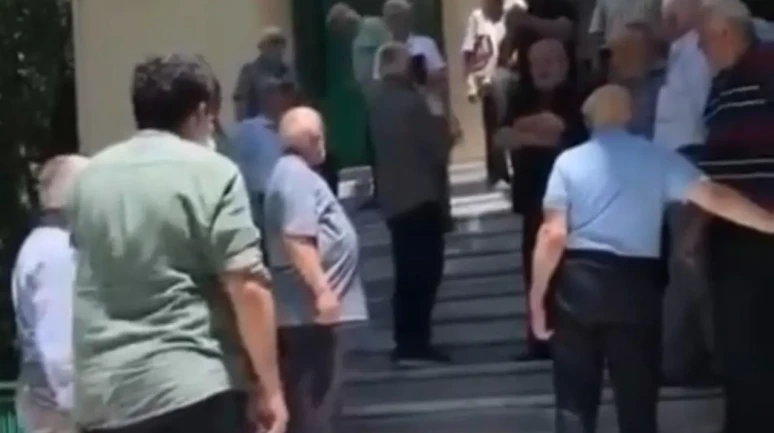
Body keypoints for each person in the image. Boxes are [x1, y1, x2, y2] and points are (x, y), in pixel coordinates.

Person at [530, 84, 774, 433]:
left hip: (578, 286)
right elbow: (714, 196)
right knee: (638, 405)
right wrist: (768, 222)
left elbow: (552, 234)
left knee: (574, 405)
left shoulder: (567, 162)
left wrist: (537, 296)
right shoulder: (658, 158)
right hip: (636, 285)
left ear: (587, 119)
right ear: (629, 115)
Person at [68, 54, 286, 433]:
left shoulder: (88, 179)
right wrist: (270, 388)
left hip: (103, 394)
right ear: (201, 113)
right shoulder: (213, 172)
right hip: (192, 385)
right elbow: (247, 286)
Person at [262, 107, 367, 433]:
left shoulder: (292, 174)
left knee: (318, 404)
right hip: (309, 316)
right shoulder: (295, 176)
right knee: (315, 408)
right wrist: (322, 291)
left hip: (309, 315)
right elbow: (297, 237)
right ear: (313, 138)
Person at [695, 1, 774, 429]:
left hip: (752, 233)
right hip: (736, 231)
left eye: (704, 40)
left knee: (746, 354)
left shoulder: (762, 70)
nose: (700, 50)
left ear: (726, 32)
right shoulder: (724, 84)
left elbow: (723, 168)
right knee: (744, 354)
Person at [495, 37, 586, 361]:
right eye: (535, 63)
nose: (541, 69)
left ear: (563, 63)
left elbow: (566, 135)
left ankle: (573, 338)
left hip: (569, 199)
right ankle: (539, 340)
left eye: (548, 61)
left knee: (569, 270)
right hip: (532, 194)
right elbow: (502, 136)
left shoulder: (576, 95)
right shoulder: (522, 96)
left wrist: (526, 135)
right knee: (534, 269)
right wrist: (539, 134)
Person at [365, 42, 451, 366]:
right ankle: (416, 343)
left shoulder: (376, 103)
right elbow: (438, 147)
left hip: (394, 198)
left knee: (405, 271)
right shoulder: (414, 102)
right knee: (424, 272)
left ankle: (406, 341)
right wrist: (437, 109)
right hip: (422, 194)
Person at [11, 155, 89, 433]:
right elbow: (61, 347)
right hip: (60, 408)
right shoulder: (59, 253)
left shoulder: (45, 245)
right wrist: (82, 414)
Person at [326, 3, 391, 210]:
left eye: (339, 28)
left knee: (382, 148)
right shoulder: (355, 39)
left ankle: (387, 192)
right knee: (373, 149)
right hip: (370, 102)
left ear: (345, 20)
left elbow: (387, 54)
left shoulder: (373, 27)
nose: (341, 34)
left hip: (383, 99)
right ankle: (379, 191)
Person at [463, 0, 523, 187]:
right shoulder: (477, 17)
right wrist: (470, 81)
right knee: (493, 124)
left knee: (516, 121)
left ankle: (519, 168)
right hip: (488, 77)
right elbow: (469, 50)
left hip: (514, 73)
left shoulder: (517, 8)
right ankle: (497, 172)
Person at [606, 22, 666, 140]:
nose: (614, 61)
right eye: (614, 54)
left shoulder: (667, 90)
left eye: (623, 53)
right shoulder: (613, 93)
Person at [233, 27, 296, 121]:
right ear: (262, 47)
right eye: (273, 43)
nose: (278, 47)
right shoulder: (249, 71)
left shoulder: (289, 71)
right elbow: (241, 104)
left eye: (281, 43)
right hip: (258, 126)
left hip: (285, 125)